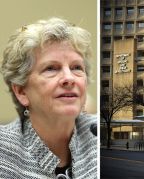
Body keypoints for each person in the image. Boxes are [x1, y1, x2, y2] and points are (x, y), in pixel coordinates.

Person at [0, 17, 97, 178]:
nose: (69, 78)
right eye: (51, 68)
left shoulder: (97, 135)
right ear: (21, 92)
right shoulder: (4, 153)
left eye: (76, 67)